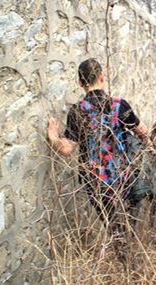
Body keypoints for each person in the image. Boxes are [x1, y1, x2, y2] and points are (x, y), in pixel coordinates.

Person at [47, 58, 148, 235]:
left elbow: (66, 149)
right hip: (122, 174)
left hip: (95, 181)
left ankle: (121, 251)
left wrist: (53, 135)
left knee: (112, 224)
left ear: (80, 82)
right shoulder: (119, 105)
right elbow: (143, 132)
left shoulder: (77, 111)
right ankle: (128, 252)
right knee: (128, 220)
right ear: (101, 77)